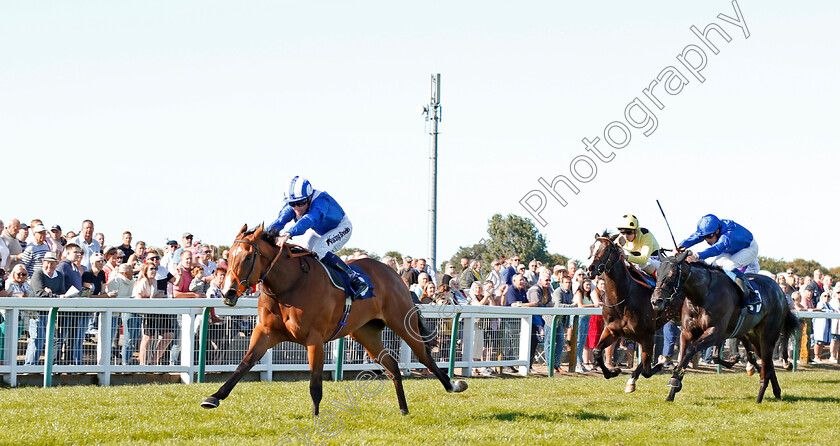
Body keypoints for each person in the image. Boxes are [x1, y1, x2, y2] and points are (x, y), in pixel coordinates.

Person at [267, 176, 368, 298]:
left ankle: (354, 278)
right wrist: (264, 236)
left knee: (319, 250)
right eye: (292, 204)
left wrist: (288, 233)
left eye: (300, 203)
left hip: (340, 227)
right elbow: (280, 221)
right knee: (300, 251)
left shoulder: (321, 201)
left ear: (309, 198)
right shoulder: (294, 205)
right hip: (318, 231)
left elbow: (310, 219)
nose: (296, 207)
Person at [677, 214, 761, 311]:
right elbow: (696, 236)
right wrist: (682, 245)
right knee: (714, 267)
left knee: (729, 266)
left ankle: (752, 295)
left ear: (717, 231)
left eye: (709, 236)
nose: (707, 239)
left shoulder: (728, 235)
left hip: (748, 248)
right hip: (732, 249)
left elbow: (716, 249)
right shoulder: (713, 228)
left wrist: (696, 256)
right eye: (705, 237)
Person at [26, 252, 67, 365]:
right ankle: (29, 365)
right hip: (37, 312)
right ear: (43, 262)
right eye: (47, 263)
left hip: (51, 313)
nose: (50, 266)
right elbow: (39, 293)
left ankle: (38, 366)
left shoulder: (59, 275)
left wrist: (50, 293)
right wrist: (54, 295)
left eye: (53, 263)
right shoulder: (38, 274)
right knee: (36, 339)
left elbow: (62, 292)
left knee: (46, 340)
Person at [525, 273, 552, 369]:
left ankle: (530, 365)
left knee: (534, 343)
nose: (548, 282)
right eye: (546, 280)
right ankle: (528, 366)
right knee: (531, 343)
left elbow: (549, 303)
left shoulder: (547, 289)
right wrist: (547, 306)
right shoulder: (535, 289)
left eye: (549, 280)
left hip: (540, 319)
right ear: (540, 280)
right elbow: (536, 305)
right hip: (533, 320)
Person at [551, 275, 575, 371]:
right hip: (552, 320)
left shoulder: (569, 292)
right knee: (550, 343)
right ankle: (551, 366)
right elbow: (558, 305)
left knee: (561, 342)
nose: (568, 284)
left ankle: (556, 365)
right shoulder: (558, 292)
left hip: (561, 321)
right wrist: (572, 306)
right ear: (562, 283)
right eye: (566, 282)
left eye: (569, 283)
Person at [573, 279, 596, 373]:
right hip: (580, 318)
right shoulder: (579, 293)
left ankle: (580, 363)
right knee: (578, 342)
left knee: (582, 342)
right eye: (587, 285)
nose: (588, 286)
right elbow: (580, 305)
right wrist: (593, 305)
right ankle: (577, 363)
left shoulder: (589, 294)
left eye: (589, 285)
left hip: (587, 318)